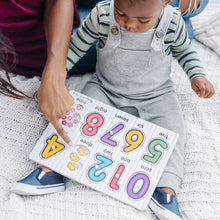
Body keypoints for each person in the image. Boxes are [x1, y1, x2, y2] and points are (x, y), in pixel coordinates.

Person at [11, 0, 215, 219]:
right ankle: (50, 170)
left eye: (143, 20)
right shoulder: (102, 15)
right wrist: (52, 83)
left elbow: (185, 52)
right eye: (121, 13)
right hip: (105, 87)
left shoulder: (172, 22)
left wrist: (197, 75)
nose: (129, 24)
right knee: (77, 115)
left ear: (166, 3)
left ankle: (165, 191)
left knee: (174, 131)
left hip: (156, 95)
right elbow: (75, 47)